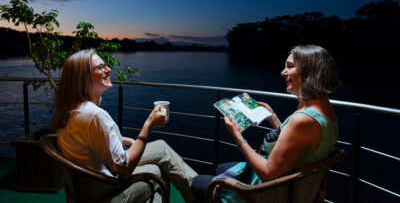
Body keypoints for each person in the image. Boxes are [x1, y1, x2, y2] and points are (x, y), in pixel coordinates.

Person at [191, 44, 340, 202]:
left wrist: (237, 135)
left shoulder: (303, 120)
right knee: (220, 167)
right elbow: (297, 142)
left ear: (308, 72)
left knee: (198, 182)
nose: (283, 72)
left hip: (266, 193)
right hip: (288, 182)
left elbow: (268, 174)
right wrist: (273, 118)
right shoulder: (323, 108)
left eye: (289, 67)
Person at [51, 49, 198, 202]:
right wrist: (148, 125)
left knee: (161, 148)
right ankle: (204, 195)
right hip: (105, 192)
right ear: (83, 78)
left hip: (87, 185)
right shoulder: (94, 114)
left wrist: (124, 140)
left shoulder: (74, 109)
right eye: (100, 67)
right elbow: (123, 171)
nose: (108, 69)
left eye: (105, 65)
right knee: (155, 171)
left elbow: (94, 140)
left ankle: (200, 192)